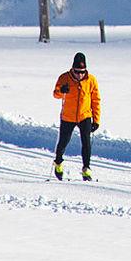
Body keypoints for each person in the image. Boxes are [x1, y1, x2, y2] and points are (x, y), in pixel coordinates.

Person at [52, 53, 102, 181]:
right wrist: (61, 90)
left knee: (86, 143)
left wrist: (96, 120)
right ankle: (58, 162)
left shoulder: (91, 80)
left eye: (82, 72)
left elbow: (95, 100)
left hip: (84, 115)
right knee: (63, 142)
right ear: (72, 69)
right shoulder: (64, 78)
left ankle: (86, 169)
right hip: (68, 116)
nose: (79, 75)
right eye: (77, 72)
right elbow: (56, 94)